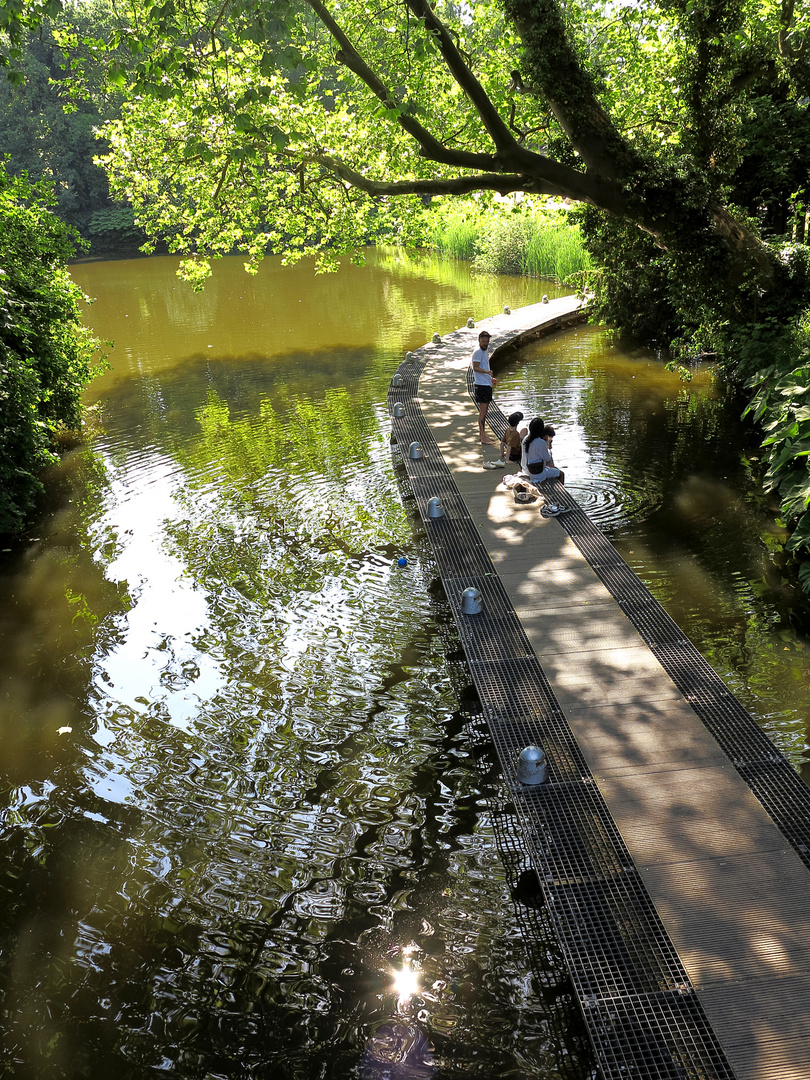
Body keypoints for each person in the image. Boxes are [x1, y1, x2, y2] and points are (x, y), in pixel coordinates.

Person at [470, 330, 497, 444]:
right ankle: (482, 437)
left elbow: (483, 367)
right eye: (483, 341)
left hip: (486, 384)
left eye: (487, 341)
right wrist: (487, 372)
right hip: (481, 386)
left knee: (484, 412)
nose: (485, 343)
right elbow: (475, 367)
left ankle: (483, 435)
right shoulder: (478, 352)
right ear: (479, 341)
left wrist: (490, 379)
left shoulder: (485, 352)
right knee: (483, 412)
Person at [521, 418, 565, 484]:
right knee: (561, 474)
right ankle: (561, 493)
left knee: (552, 468)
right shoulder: (540, 442)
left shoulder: (526, 439)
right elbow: (547, 458)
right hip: (536, 474)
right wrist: (548, 448)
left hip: (525, 470)